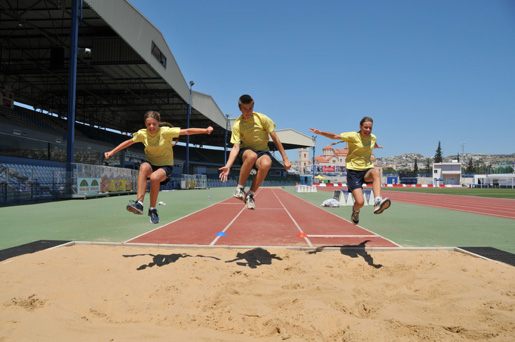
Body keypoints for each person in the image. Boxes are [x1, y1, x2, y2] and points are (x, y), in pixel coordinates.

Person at [105, 111, 213, 224]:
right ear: (145, 125)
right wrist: (112, 152)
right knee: (143, 167)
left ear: (158, 123)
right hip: (151, 163)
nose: (151, 127)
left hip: (165, 166)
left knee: (154, 177)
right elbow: (128, 142)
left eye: (154, 124)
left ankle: (152, 209)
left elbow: (186, 131)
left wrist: (205, 130)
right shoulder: (143, 134)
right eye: (148, 124)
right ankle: (139, 204)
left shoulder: (165, 132)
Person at [309, 117, 391, 225]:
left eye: (370, 128)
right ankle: (355, 212)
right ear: (360, 127)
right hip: (353, 172)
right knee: (360, 202)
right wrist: (320, 132)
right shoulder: (353, 136)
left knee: (376, 172)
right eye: (365, 127)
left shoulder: (373, 137)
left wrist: (377, 146)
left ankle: (377, 202)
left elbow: (373, 142)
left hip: (366, 169)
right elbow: (334, 136)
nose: (368, 130)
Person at [219, 94, 291, 209]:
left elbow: (275, 139)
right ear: (240, 109)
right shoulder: (238, 125)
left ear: (253, 107)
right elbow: (236, 148)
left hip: (262, 152)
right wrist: (228, 165)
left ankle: (250, 195)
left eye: (250, 109)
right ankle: (240, 188)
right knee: (251, 155)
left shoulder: (262, 119)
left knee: (267, 163)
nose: (248, 112)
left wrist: (285, 159)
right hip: (246, 152)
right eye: (245, 109)